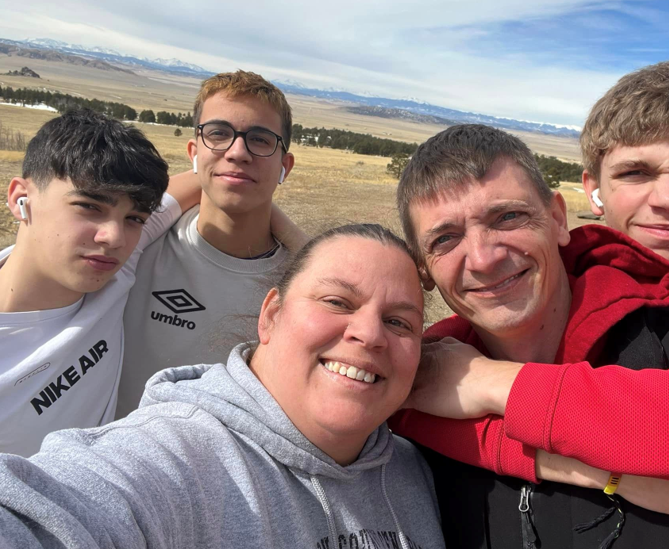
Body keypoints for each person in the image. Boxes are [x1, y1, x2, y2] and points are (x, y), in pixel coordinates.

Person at [392, 61, 669, 497]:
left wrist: (493, 382)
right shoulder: (539, 289)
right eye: (635, 173)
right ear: (594, 190)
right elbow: (397, 396)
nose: (668, 199)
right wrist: (585, 471)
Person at [0, 224, 444, 549]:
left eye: (398, 322)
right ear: (270, 315)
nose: (369, 334)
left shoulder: (416, 470)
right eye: (336, 302)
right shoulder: (179, 460)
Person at [0, 108, 200, 457]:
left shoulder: (112, 274)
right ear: (21, 199)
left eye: (134, 218)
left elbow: (213, 179)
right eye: (89, 207)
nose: (114, 237)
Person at [118, 70, 306, 418]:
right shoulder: (132, 244)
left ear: (285, 165)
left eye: (261, 139)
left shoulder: (301, 286)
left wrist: (311, 255)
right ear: (194, 152)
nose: (238, 152)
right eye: (218, 134)